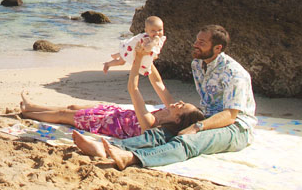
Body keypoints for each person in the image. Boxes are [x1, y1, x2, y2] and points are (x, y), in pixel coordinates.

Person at [73, 24, 257, 170]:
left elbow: (231, 115)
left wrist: (197, 126)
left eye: (202, 42)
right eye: (197, 40)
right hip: (208, 116)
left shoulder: (234, 74)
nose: (196, 45)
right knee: (163, 131)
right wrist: (144, 55)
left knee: (188, 140)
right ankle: (108, 148)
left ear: (217, 48)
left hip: (235, 127)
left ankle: (132, 158)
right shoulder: (197, 64)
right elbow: (158, 81)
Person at [19, 53, 204, 139]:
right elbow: (158, 83)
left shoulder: (150, 123)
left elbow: (133, 88)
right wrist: (148, 58)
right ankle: (32, 106)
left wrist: (138, 60)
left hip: (105, 123)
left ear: (178, 119)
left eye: (182, 106)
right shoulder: (169, 110)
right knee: (72, 108)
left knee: (62, 116)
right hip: (115, 113)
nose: (179, 102)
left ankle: (27, 114)